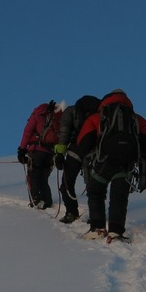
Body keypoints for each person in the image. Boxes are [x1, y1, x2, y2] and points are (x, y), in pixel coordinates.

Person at [71, 89, 146, 242]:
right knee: (119, 197)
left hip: (103, 163)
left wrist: (86, 162)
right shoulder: (138, 120)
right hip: (126, 165)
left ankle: (98, 228)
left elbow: (83, 144)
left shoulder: (98, 117)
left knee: (95, 191)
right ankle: (115, 232)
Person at [54, 95, 101, 223]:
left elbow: (64, 133)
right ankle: (95, 217)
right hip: (93, 152)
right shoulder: (99, 114)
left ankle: (71, 213)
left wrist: (59, 154)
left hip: (75, 151)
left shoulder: (70, 111)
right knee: (92, 186)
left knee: (67, 184)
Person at [16, 100, 62, 209]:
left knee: (33, 176)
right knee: (43, 178)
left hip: (36, 151)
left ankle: (36, 200)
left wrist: (22, 150)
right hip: (51, 154)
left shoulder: (37, 116)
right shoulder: (56, 118)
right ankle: (47, 201)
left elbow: (27, 132)